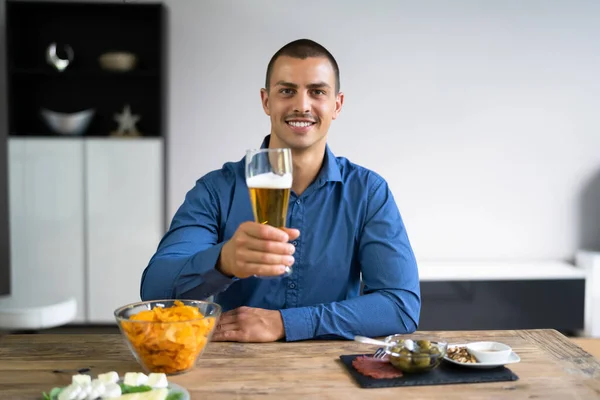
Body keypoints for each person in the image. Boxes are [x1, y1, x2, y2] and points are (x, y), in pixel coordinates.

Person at [140, 38, 421, 342]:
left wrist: (286, 323)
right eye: (287, 91)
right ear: (266, 101)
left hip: (335, 374)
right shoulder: (215, 190)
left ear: (336, 105)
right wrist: (223, 261)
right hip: (232, 370)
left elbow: (400, 306)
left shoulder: (367, 192)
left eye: (317, 92)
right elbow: (155, 291)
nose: (302, 105)